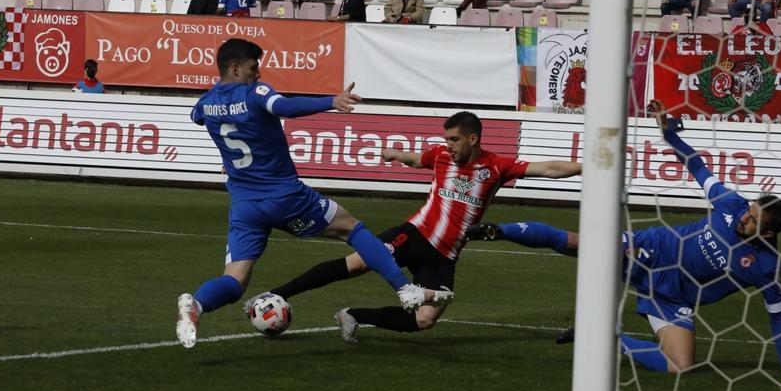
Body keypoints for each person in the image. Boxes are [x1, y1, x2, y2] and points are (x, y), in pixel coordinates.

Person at [469, 100, 781, 380]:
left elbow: (779, 317)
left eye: (753, 219)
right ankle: (499, 230)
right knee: (578, 244)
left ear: (768, 234)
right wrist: (669, 134)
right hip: (652, 250)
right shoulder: (731, 203)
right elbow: (697, 166)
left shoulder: (767, 268)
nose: (745, 216)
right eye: (749, 210)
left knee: (680, 367)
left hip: (671, 295)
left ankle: (599, 337)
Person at [176, 39, 452, 349]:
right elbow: (285, 107)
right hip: (285, 196)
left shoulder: (206, 102)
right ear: (236, 68)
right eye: (254, 68)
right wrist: (331, 101)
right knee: (354, 229)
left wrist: (222, 103)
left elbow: (197, 117)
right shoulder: (256, 93)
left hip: (244, 205)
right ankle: (405, 288)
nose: (259, 73)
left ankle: (197, 305)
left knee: (235, 280)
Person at [245, 111, 581, 343]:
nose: (448, 144)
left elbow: (548, 168)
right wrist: (395, 154)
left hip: (445, 254)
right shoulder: (440, 156)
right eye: (446, 139)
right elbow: (416, 159)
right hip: (414, 234)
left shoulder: (497, 166)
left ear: (473, 139)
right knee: (358, 263)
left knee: (425, 320)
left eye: (454, 139)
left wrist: (584, 165)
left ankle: (352, 314)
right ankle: (277, 295)